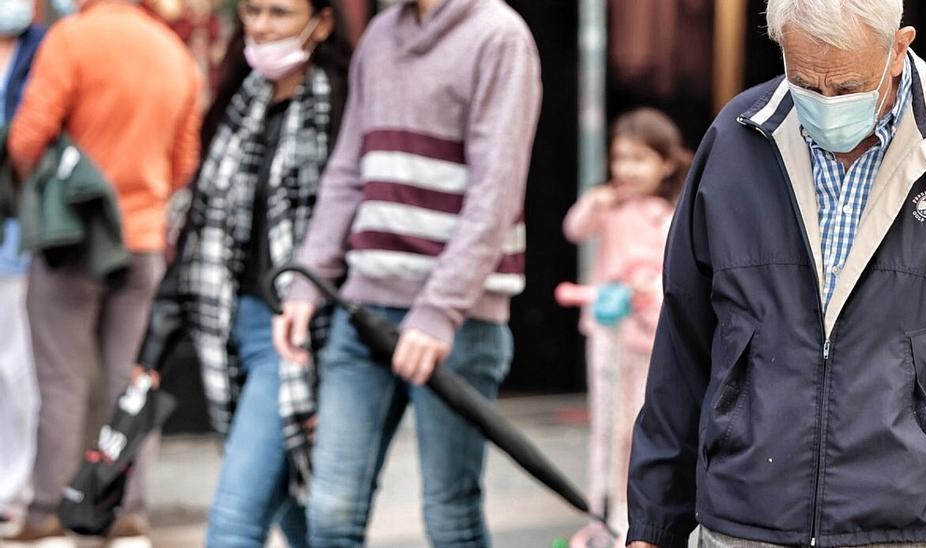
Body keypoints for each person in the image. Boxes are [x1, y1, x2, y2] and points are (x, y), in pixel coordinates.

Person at [625, 0, 926, 546]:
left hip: (914, 527)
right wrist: (654, 524)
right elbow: (683, 346)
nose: (824, 103)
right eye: (804, 82)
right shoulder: (735, 138)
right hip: (744, 518)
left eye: (846, 87)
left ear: (898, 47)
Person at [271, 0, 541, 545]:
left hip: (459, 321)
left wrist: (439, 310)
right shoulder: (379, 36)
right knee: (329, 513)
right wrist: (307, 283)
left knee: (449, 516)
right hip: (365, 302)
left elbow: (496, 189)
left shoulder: (499, 36)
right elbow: (349, 167)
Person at [131, 0, 351, 544]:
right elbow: (198, 232)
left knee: (233, 520)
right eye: (253, 11)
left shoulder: (343, 104)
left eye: (280, 13)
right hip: (233, 327)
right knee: (301, 519)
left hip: (301, 335)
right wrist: (154, 352)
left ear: (321, 23)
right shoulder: (239, 101)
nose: (262, 26)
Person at [3, 0, 202, 541]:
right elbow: (185, 160)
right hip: (143, 240)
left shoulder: (71, 40)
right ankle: (126, 507)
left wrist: (47, 190)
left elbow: (26, 137)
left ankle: (47, 511)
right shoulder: (171, 50)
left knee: (61, 382)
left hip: (75, 240)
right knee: (132, 380)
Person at [563, 108, 688, 546]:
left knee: (643, 425)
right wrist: (592, 202)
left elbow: (672, 274)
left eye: (640, 159)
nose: (627, 169)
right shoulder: (609, 209)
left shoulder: (668, 215)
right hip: (607, 333)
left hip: (651, 337)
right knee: (606, 427)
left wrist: (647, 286)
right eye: (621, 158)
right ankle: (601, 513)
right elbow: (574, 229)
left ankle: (635, 516)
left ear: (666, 164)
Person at [0, 0, 43, 535]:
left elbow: (32, 139)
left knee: (16, 367)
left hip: (18, 233)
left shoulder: (42, 50)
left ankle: (18, 484)